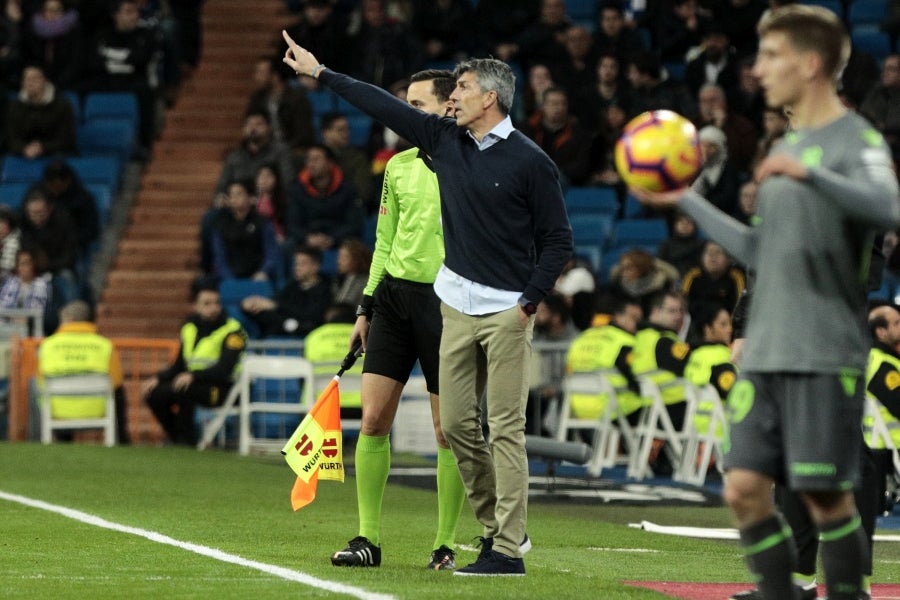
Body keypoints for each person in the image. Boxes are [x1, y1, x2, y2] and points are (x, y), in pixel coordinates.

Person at [631, 6, 900, 598]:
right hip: (769, 349)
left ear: (810, 64)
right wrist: (684, 198)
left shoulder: (855, 140)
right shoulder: (792, 146)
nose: (759, 68)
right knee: (744, 487)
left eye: (772, 55)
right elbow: (757, 247)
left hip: (823, 350)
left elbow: (888, 210)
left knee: (824, 495)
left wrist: (813, 180)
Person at [283, 34, 573, 576]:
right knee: (460, 428)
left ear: (489, 98)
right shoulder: (440, 143)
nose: (454, 98)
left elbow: (558, 239)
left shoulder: (530, 162)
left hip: (504, 311)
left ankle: (502, 545)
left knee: (500, 429)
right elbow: (381, 104)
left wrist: (529, 302)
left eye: (462, 89)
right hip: (446, 304)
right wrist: (320, 72)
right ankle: (498, 526)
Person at [329, 69, 467, 571]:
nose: (406, 113)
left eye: (417, 104)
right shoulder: (398, 168)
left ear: (449, 107)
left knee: (446, 430)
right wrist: (365, 306)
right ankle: (368, 538)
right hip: (393, 301)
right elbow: (384, 241)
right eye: (404, 103)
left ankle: (445, 543)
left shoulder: (466, 164)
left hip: (447, 303)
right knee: (371, 421)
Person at [141, 279, 247, 446]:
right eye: (207, 304)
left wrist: (193, 376)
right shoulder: (189, 328)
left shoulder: (233, 331)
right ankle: (176, 437)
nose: (214, 308)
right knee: (154, 393)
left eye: (216, 303)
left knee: (185, 389)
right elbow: (179, 365)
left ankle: (186, 441)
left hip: (225, 388)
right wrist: (158, 378)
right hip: (197, 382)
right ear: (195, 306)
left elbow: (224, 370)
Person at [38, 300, 130, 444]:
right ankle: (121, 440)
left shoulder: (48, 345)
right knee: (118, 391)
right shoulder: (104, 345)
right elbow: (116, 381)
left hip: (57, 410)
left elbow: (39, 380)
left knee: (34, 388)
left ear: (71, 320)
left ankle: (44, 439)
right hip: (96, 408)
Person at [564, 296, 645, 430]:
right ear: (618, 316)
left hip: (578, 409)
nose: (638, 324)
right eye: (634, 318)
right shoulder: (624, 340)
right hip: (612, 409)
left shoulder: (579, 339)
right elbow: (633, 374)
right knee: (651, 401)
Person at [284, 144, 366, 252]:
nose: (311, 164)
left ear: (330, 163)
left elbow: (354, 224)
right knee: (286, 246)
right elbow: (292, 224)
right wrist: (307, 238)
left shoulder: (347, 190)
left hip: (338, 240)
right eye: (309, 160)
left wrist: (332, 239)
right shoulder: (298, 190)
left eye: (316, 159)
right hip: (307, 241)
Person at [240, 244, 331, 339]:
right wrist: (251, 305)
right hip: (280, 331)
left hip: (308, 336)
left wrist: (276, 307)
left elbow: (312, 315)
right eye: (296, 263)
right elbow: (274, 305)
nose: (297, 267)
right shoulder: (292, 285)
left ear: (316, 266)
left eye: (303, 264)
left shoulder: (325, 289)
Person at [209, 178, 280, 283]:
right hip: (230, 278)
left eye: (239, 194)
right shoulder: (220, 224)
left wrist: (263, 272)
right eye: (231, 195)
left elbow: (271, 253)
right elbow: (219, 257)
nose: (234, 198)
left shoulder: (263, 223)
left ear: (251, 198)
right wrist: (229, 278)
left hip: (259, 277)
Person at [214, 109, 295, 200]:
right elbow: (221, 187)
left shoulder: (280, 151)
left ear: (269, 128)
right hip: (239, 206)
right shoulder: (234, 156)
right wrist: (220, 199)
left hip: (272, 204)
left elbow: (288, 182)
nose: (253, 128)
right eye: (249, 124)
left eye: (258, 124)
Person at [5, 63, 77, 158]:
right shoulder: (14, 106)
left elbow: (66, 139)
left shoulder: (62, 105)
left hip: (56, 155)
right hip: (23, 154)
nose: (30, 83)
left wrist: (43, 147)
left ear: (44, 81)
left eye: (34, 79)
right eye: (26, 79)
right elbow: (10, 137)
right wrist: (23, 148)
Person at [680, 240, 746, 320]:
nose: (713, 256)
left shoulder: (736, 277)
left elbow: (739, 308)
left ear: (729, 258)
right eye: (708, 252)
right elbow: (682, 304)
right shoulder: (693, 275)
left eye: (718, 252)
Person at [331, 238, 370, 307]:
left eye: (344, 258)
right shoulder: (338, 280)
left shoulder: (366, 282)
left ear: (357, 259)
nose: (339, 262)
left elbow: (363, 308)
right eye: (339, 257)